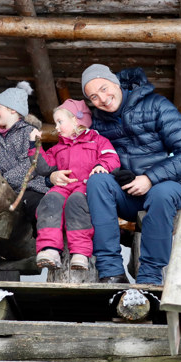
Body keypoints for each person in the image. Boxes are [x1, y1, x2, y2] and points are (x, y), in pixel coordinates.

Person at [80, 64, 181, 285]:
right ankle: (111, 271)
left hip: (166, 187)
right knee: (97, 182)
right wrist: (116, 172)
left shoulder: (156, 105)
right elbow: (87, 155)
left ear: (115, 82)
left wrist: (150, 178)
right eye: (94, 97)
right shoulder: (96, 121)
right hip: (127, 194)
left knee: (160, 194)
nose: (103, 99)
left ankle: (150, 276)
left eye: (104, 89)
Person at [28, 99, 120, 271]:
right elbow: (43, 167)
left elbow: (112, 158)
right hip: (63, 187)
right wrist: (35, 146)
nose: (56, 127)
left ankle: (80, 253)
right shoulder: (58, 147)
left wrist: (102, 166)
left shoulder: (98, 141)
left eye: (60, 122)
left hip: (85, 187)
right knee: (50, 200)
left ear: (76, 120)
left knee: (76, 203)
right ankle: (49, 250)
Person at [0, 81, 50, 228]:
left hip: (32, 188)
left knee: (37, 207)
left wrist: (3, 181)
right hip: (5, 192)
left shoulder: (28, 132)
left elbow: (30, 165)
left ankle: (48, 245)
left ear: (13, 109)